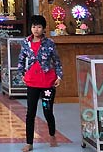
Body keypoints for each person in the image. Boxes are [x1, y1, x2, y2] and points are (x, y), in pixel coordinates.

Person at [18, 14, 62, 150]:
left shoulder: (49, 43)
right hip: (32, 82)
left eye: (38, 27)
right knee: (30, 112)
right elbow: (21, 59)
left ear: (43, 29)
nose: (36, 29)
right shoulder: (26, 42)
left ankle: (52, 135)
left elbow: (57, 61)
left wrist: (59, 77)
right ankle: (29, 143)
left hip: (48, 82)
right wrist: (22, 74)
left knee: (47, 110)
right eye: (33, 27)